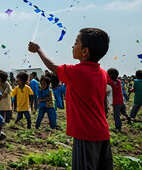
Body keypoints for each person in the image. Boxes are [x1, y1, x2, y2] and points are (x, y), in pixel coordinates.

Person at [29, 27, 113, 170]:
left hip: (85, 134)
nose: (72, 46)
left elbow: (52, 66)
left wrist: (38, 50)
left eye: (76, 43)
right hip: (102, 132)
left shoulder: (78, 72)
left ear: (85, 51)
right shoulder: (103, 73)